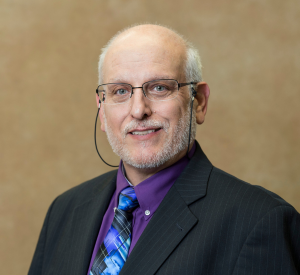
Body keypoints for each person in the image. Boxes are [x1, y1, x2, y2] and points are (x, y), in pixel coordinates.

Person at [28, 24, 300, 275]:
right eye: (120, 91)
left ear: (199, 102)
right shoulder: (65, 210)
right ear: (101, 110)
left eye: (159, 87)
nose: (138, 110)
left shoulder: (261, 221)